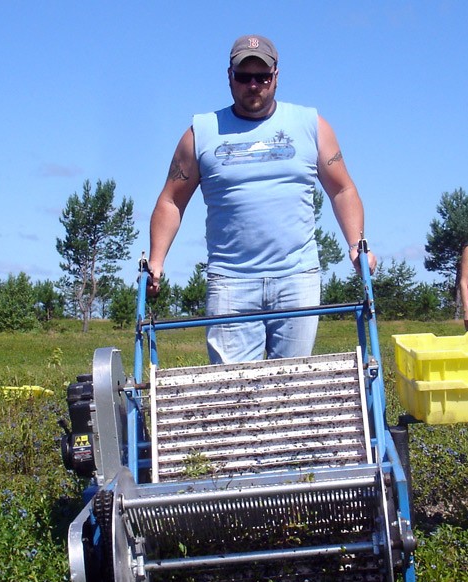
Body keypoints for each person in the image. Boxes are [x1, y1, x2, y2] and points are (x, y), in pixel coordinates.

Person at [146, 34, 376, 364]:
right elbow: (171, 201)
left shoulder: (311, 125)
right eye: (244, 77)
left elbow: (343, 189)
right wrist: (156, 261)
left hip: (298, 279)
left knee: (291, 387)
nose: (253, 85)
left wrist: (357, 243)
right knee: (236, 394)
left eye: (262, 77)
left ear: (276, 77)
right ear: (230, 77)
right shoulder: (201, 132)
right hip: (231, 282)